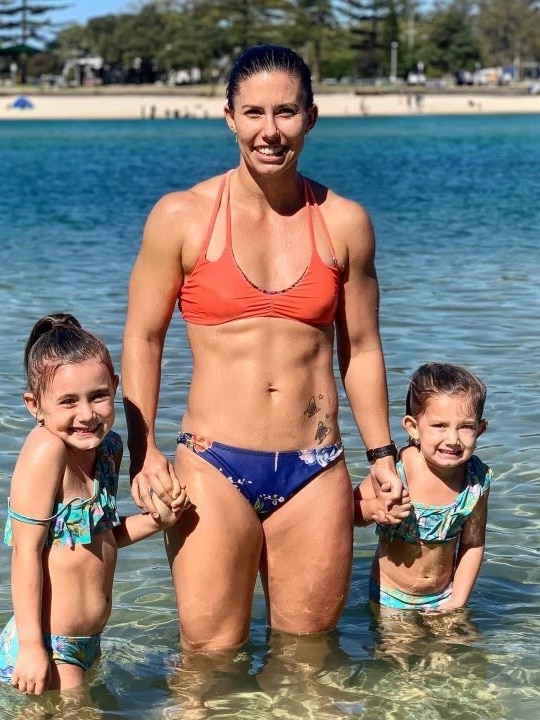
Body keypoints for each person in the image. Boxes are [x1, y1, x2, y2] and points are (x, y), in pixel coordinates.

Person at [121, 44, 402, 652]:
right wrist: (142, 454)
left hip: (316, 467)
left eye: (286, 113)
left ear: (311, 117)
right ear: (228, 117)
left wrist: (383, 456)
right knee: (207, 659)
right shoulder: (181, 217)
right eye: (253, 113)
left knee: (309, 663)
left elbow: (362, 347)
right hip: (212, 465)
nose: (269, 131)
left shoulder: (345, 222)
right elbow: (144, 339)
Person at [0, 314, 190, 695]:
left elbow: (101, 538)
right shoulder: (46, 450)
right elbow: (25, 554)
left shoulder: (108, 449)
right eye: (68, 401)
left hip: (88, 642)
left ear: (115, 387)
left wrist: (158, 522)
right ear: (34, 405)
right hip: (49, 644)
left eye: (98, 396)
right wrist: (34, 649)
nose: (86, 414)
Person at [354, 362, 491, 611]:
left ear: (480, 429)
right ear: (413, 427)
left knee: (459, 648)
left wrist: (457, 602)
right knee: (397, 650)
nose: (452, 440)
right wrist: (375, 509)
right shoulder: (398, 470)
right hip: (390, 597)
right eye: (440, 425)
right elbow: (348, 513)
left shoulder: (476, 479)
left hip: (444, 596)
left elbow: (473, 543)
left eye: (466, 427)